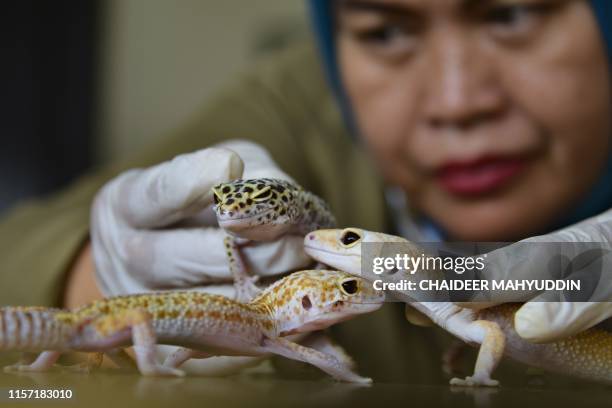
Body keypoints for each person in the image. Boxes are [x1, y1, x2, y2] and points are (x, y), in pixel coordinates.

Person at [1, 0, 611, 381]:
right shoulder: (298, 97)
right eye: (385, 29)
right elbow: (20, 246)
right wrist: (104, 280)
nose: (456, 104)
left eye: (511, 13)